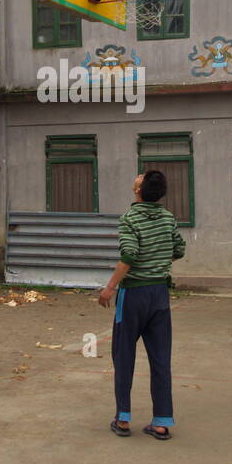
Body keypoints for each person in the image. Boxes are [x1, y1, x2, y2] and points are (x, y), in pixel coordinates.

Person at [98, 170, 186, 439]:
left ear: (138, 189)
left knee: (123, 356)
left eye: (139, 177)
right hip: (159, 294)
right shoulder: (168, 217)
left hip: (133, 294)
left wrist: (109, 287)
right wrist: (158, 258)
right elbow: (179, 250)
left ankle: (123, 418)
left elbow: (129, 255)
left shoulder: (130, 218)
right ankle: (161, 421)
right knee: (160, 358)